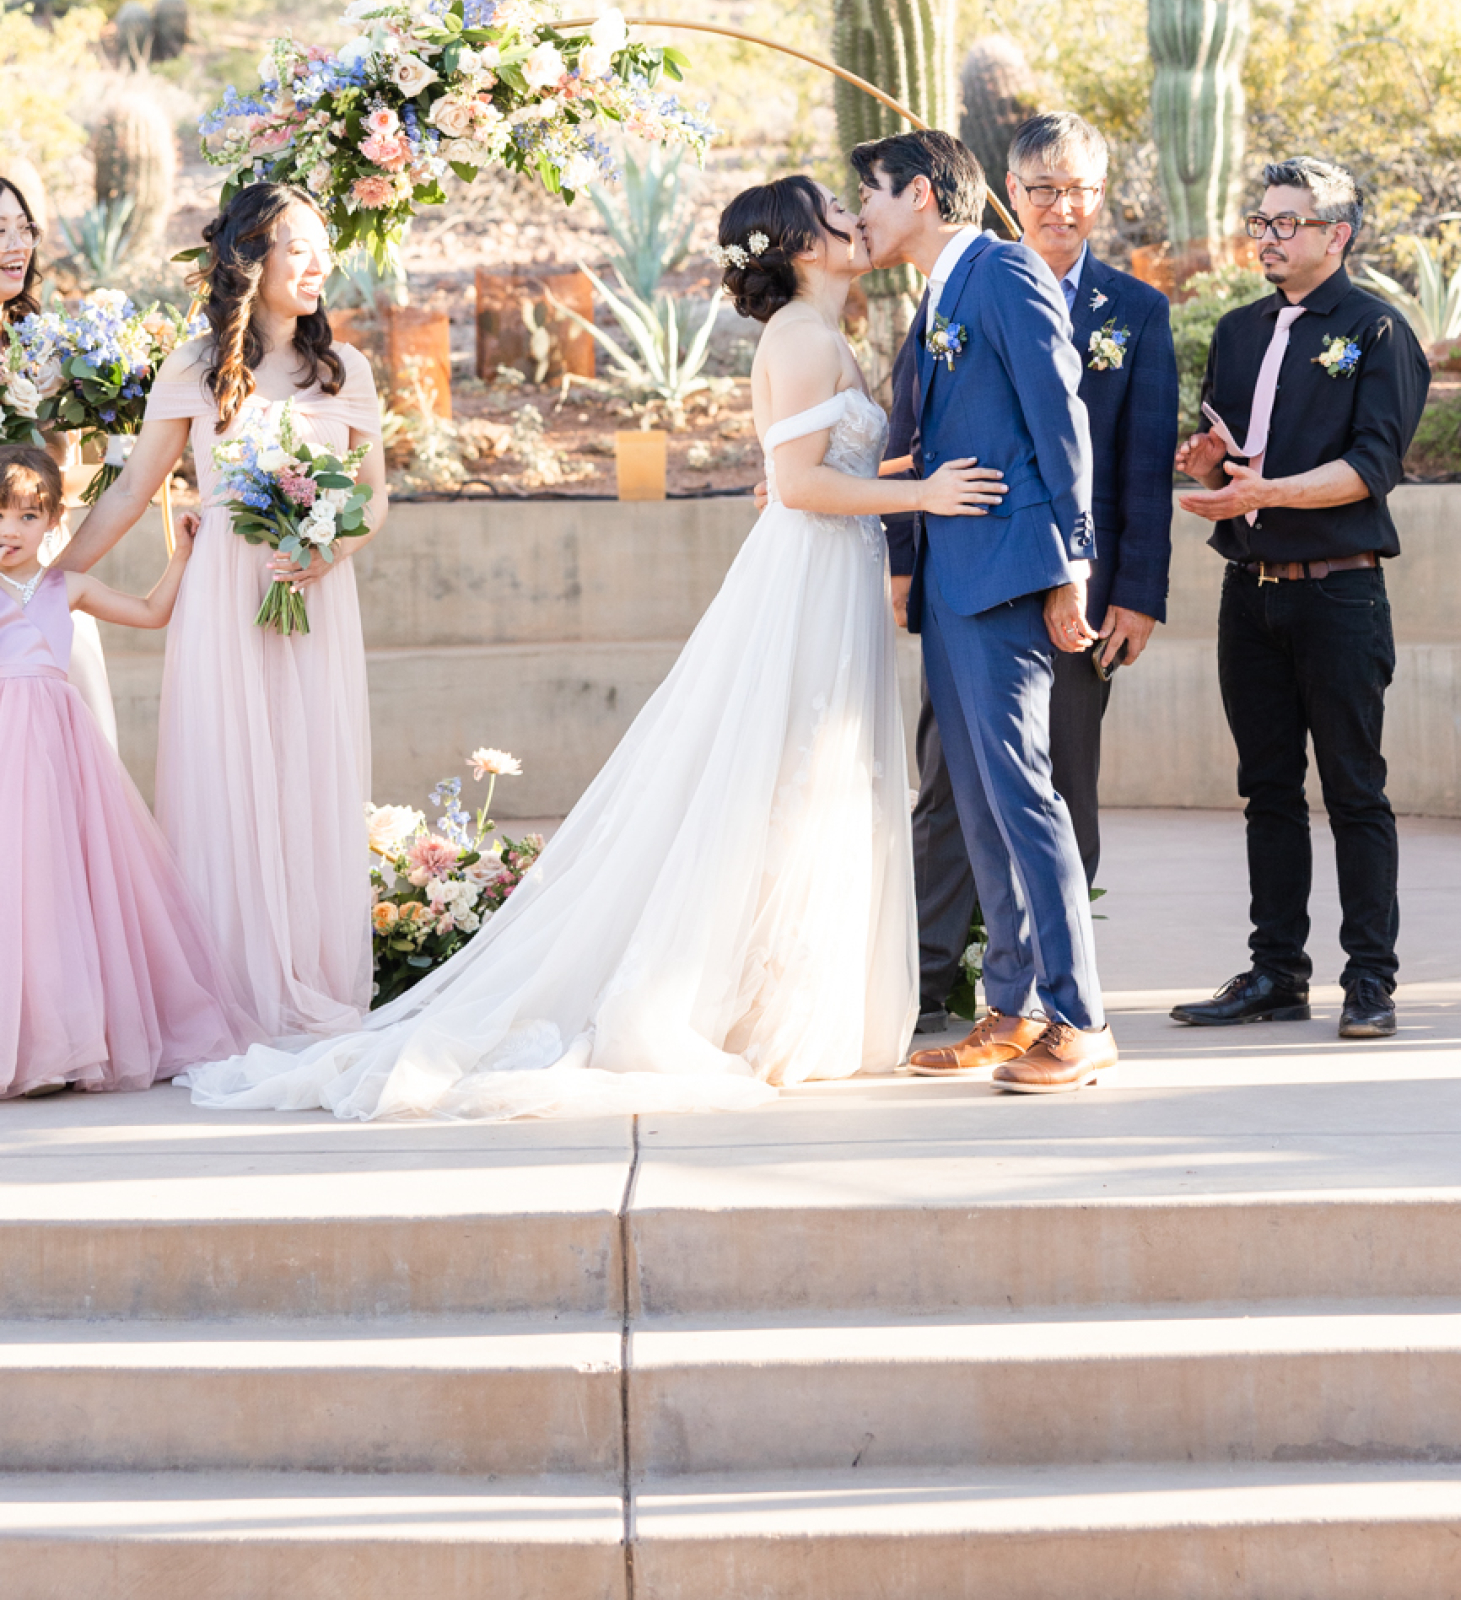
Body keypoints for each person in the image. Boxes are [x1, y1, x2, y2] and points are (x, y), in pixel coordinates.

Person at [179, 176, 1003, 1121]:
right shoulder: (803, 337)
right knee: (787, 772)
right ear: (798, 245)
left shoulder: (822, 333)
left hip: (828, 575)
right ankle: (761, 1001)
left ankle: (784, 992)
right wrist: (925, 495)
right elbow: (800, 484)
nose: (854, 221)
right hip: (811, 575)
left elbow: (824, 465)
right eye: (834, 214)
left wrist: (896, 473)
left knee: (809, 775)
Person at [61, 182, 388, 1041]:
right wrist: (44, 579)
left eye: (325, 246)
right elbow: (134, 489)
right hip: (222, 602)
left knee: (308, 772)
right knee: (227, 775)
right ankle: (231, 982)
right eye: (298, 246)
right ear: (253, 259)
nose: (318, 262)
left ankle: (310, 972)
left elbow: (376, 499)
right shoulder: (198, 368)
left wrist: (327, 551)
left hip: (312, 596)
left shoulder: (345, 369)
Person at [890, 111, 1177, 1034]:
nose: (1062, 205)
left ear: (1103, 195)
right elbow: (913, 432)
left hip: (1062, 586)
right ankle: (953, 981)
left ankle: (1066, 998)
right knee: (955, 785)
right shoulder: (950, 289)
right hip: (964, 575)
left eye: (1079, 187)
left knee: (1054, 784)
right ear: (1012, 194)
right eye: (1043, 188)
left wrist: (1121, 585)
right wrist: (905, 561)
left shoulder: (1132, 311)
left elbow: (1132, 458)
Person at [856, 127, 1117, 1092]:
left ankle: (1080, 1019)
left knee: (1024, 795)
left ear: (922, 193)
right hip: (953, 581)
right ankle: (1007, 1010)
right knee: (975, 802)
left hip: (1009, 575)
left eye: (872, 196)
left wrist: (1073, 564)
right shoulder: (936, 295)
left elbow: (1062, 418)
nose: (862, 216)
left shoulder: (1004, 273)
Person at [1171, 156, 1429, 1041]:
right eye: (1263, 222)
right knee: (1267, 790)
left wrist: (1266, 493)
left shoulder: (1379, 331)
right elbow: (1226, 444)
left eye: (1288, 223)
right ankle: (1277, 970)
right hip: (1249, 596)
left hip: (1339, 596)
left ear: (1336, 233)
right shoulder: (1240, 331)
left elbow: (1373, 467)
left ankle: (1371, 979)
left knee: (1355, 788)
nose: (1269, 238)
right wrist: (1206, 465)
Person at [0, 444, 253, 1096]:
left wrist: (179, 559)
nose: (10, 529)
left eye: (28, 517)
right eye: (0, 514)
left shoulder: (67, 586)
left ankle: (61, 1042)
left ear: (53, 521)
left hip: (58, 748)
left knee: (58, 885)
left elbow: (149, 612)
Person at [0, 167, 119, 747]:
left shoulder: (38, 341)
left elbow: (62, 461)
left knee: (71, 731)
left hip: (30, 553)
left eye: (24, 228)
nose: (17, 244)